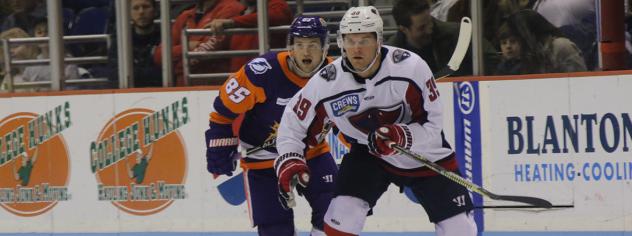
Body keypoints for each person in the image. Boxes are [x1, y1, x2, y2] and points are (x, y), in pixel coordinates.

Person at [274, 6, 476, 236]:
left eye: (364, 40)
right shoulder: (327, 82)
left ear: (379, 40)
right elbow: (293, 122)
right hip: (368, 154)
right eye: (350, 41)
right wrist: (290, 158)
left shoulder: (411, 67)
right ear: (341, 43)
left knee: (460, 229)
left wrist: (403, 135)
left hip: (423, 152)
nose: (356, 48)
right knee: (341, 217)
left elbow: (433, 125)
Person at [205, 16, 336, 236]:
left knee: (335, 211)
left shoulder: (337, 75)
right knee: (275, 229)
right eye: (300, 45)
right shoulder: (262, 73)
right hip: (263, 160)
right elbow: (222, 113)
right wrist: (219, 145)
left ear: (325, 48)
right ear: (290, 46)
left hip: (311, 153)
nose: (306, 52)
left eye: (313, 45)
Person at [387, 0, 499, 75]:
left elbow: (495, 64)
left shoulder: (460, 35)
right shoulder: (388, 55)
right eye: (421, 28)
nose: (429, 29)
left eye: (430, 22)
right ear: (403, 29)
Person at [153, 0, 243, 86]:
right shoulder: (186, 15)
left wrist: (179, 65)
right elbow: (159, 55)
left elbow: (210, 49)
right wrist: (186, 47)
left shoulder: (231, 8)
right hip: (184, 88)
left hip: (216, 86)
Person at [204, 0, 293, 72]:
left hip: (267, 76)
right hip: (242, 78)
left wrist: (233, 22)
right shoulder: (242, 12)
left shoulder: (277, 4)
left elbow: (275, 16)